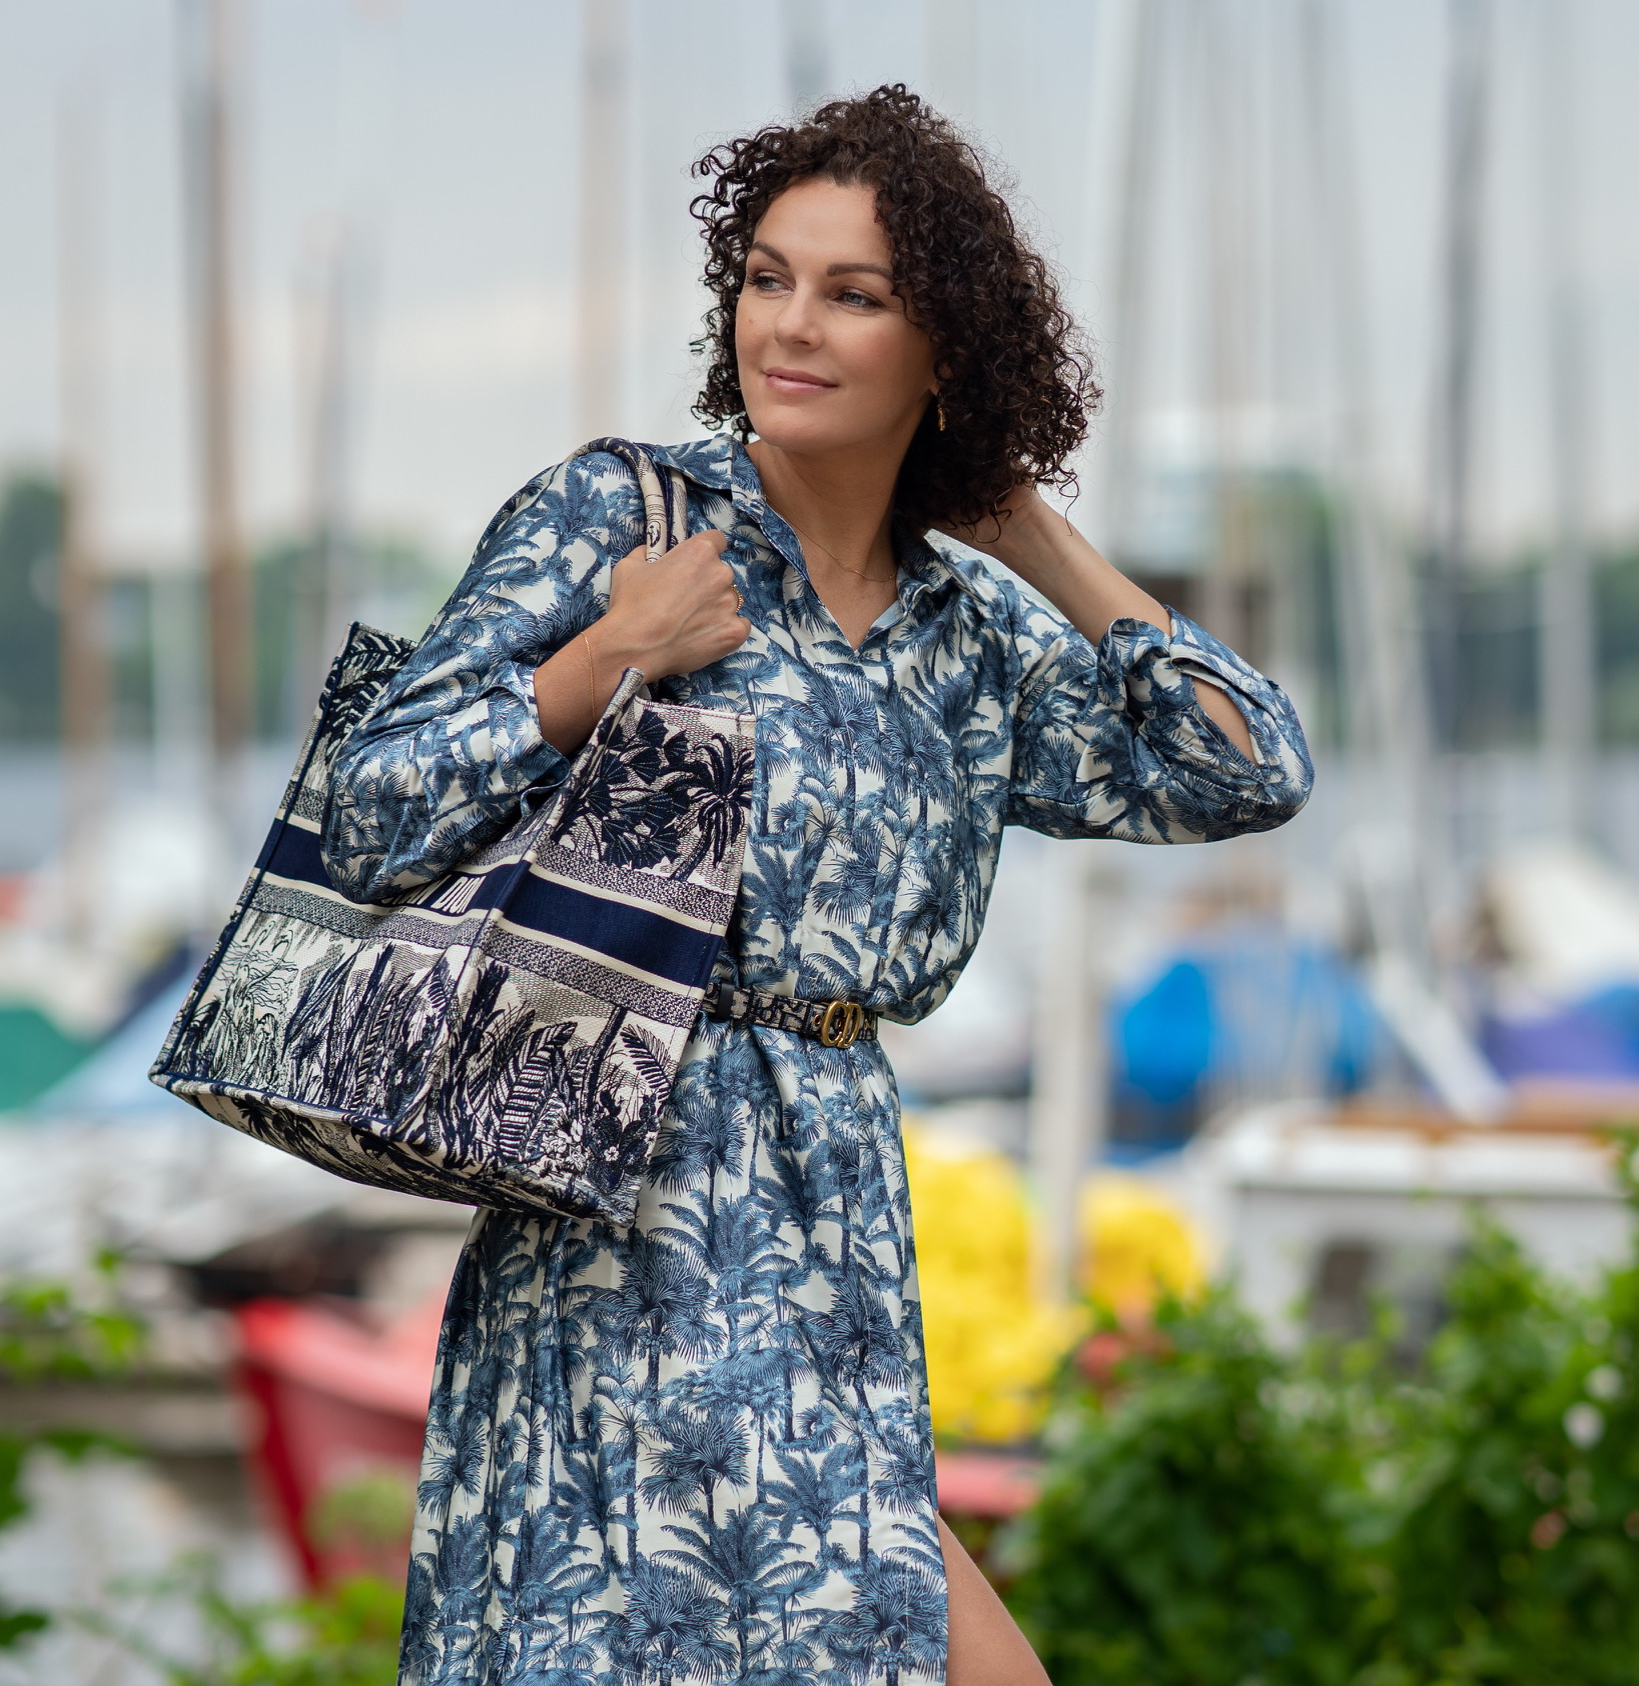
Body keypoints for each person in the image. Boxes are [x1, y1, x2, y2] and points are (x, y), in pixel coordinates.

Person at [323, 84, 1313, 1685]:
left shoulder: (969, 636)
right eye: (770, 276)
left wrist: (1035, 536)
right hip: (623, 1201)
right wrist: (608, 657)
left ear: (949, 354)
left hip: (834, 1228)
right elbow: (369, 812)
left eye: (855, 296)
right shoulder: (622, 515)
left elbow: (1243, 765)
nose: (791, 324)